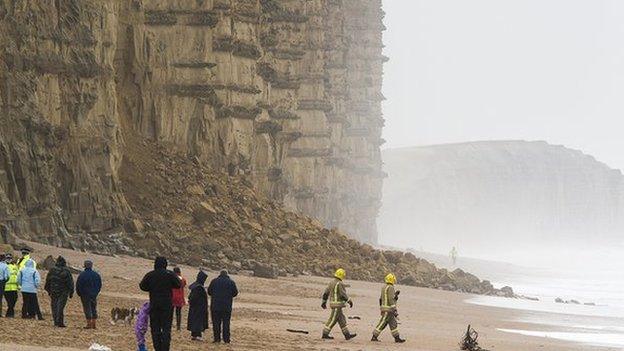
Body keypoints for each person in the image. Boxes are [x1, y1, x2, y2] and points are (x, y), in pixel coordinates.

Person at [139, 257, 181, 351]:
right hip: (167, 305)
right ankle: (165, 348)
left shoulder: (150, 274)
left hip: (154, 304)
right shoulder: (169, 274)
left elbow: (142, 286)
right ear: (165, 264)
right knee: (166, 329)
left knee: (155, 329)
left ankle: (157, 348)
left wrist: (151, 288)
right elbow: (178, 284)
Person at [321, 268, 356, 340]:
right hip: (337, 305)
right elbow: (343, 295)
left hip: (333, 304)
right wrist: (349, 301)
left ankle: (347, 335)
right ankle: (325, 334)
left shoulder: (331, 282)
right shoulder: (340, 283)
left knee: (341, 320)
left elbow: (325, 293)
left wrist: (323, 302)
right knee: (333, 319)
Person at [371, 273, 406, 343]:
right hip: (389, 309)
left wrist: (381, 308)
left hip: (385, 308)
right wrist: (394, 309)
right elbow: (390, 299)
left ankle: (397, 337)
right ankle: (374, 336)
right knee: (382, 323)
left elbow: (381, 299)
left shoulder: (384, 287)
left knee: (393, 323)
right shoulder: (391, 287)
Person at [207, 270, 238, 344]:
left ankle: (217, 338)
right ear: (227, 274)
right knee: (226, 323)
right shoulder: (231, 282)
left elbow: (209, 292)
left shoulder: (214, 281)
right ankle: (226, 339)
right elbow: (235, 293)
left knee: (216, 323)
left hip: (215, 306)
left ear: (220, 274)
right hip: (227, 306)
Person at [44, 256, 74, 327]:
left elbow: (48, 280)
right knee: (60, 307)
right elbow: (70, 282)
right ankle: (60, 322)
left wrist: (48, 290)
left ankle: (56, 321)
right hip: (63, 292)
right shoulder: (66, 271)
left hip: (53, 290)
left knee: (54, 306)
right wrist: (71, 292)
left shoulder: (52, 270)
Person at [76, 260, 102, 329]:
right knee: (93, 308)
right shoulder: (96, 275)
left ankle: (89, 324)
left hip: (84, 294)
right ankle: (94, 324)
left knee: (87, 308)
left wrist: (79, 293)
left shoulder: (82, 275)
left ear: (85, 266)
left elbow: (78, 285)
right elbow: (99, 285)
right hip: (93, 294)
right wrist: (96, 292)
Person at [187, 270, 208, 341]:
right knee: (198, 321)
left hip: (195, 307)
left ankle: (194, 335)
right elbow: (194, 298)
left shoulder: (196, 286)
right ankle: (197, 335)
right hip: (199, 307)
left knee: (195, 320)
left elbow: (191, 297)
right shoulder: (199, 287)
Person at [171, 267, 187, 331]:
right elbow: (184, 284)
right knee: (178, 313)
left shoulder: (172, 278)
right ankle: (178, 327)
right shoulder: (182, 279)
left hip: (172, 297)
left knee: (170, 312)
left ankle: (170, 324)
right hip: (179, 297)